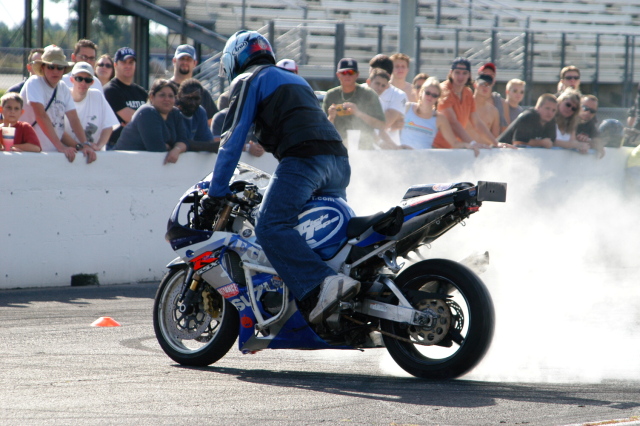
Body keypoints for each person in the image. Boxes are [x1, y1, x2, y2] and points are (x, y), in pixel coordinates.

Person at [207, 30, 358, 325]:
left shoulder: (249, 79)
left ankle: (323, 284)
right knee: (323, 233)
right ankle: (342, 290)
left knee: (271, 225)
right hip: (339, 162)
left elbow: (232, 139)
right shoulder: (296, 79)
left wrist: (217, 190)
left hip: (304, 159)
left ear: (236, 58)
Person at [19, 45, 95, 163]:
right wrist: (61, 146)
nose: (55, 71)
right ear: (43, 68)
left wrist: (84, 144)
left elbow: (73, 118)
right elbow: (41, 116)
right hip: (31, 153)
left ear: (64, 70)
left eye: (59, 67)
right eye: (51, 67)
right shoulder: (34, 82)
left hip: (54, 153)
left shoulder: (63, 88)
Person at [433, 57, 505, 149]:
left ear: (469, 75)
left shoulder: (468, 93)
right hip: (435, 146)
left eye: (464, 73)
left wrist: (496, 143)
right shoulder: (444, 90)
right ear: (451, 73)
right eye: (457, 72)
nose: (460, 77)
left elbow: (477, 123)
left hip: (455, 148)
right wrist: (472, 143)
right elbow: (452, 122)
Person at [113, 79, 189, 164]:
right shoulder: (147, 112)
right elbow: (157, 148)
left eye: (171, 96)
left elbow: (184, 140)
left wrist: (176, 149)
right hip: (123, 163)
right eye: (162, 95)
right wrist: (172, 145)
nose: (167, 99)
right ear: (152, 97)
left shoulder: (175, 113)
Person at [400, 77, 480, 155]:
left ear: (438, 98)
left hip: (423, 160)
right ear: (421, 92)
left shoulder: (440, 118)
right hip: (403, 157)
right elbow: (391, 128)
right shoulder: (407, 108)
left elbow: (454, 143)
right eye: (427, 93)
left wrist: (469, 145)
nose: (430, 97)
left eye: (434, 95)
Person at [323, 58, 386, 150]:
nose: (347, 76)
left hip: (365, 149)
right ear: (338, 75)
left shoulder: (368, 94)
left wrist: (358, 113)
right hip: (338, 149)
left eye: (351, 72)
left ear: (357, 75)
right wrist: (331, 117)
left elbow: (381, 125)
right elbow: (324, 129)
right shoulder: (331, 95)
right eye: (344, 73)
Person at [63, 62, 119, 151]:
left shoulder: (97, 96)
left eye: (87, 80)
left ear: (92, 82)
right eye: (79, 78)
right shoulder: (62, 96)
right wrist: (80, 147)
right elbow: (59, 130)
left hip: (92, 154)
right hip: (68, 154)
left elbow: (108, 126)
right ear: (72, 80)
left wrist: (98, 146)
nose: (83, 83)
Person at [103, 47, 148, 150]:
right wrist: (142, 122)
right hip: (116, 147)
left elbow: (144, 119)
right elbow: (133, 118)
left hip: (140, 146)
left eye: (131, 62)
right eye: (124, 62)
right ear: (115, 65)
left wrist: (137, 123)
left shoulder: (141, 92)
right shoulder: (110, 90)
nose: (128, 66)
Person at [169, 44, 218, 123]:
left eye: (189, 59)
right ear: (174, 61)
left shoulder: (201, 92)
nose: (185, 62)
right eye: (182, 59)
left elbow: (211, 123)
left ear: (195, 63)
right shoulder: (165, 90)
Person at [366, 54, 407, 145]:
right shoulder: (360, 90)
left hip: (389, 151)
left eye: (376, 71)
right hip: (364, 149)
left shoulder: (399, 95)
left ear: (387, 75)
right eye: (371, 70)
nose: (371, 75)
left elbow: (383, 124)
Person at [176, 78, 216, 152]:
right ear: (179, 96)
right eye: (188, 98)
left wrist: (190, 144)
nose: (192, 103)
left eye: (196, 99)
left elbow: (208, 141)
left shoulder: (200, 112)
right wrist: (208, 146)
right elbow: (176, 142)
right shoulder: (173, 112)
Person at [467, 74, 500, 144]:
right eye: (482, 84)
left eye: (488, 85)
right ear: (475, 85)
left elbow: (495, 137)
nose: (485, 87)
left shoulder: (493, 111)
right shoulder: (465, 105)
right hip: (466, 150)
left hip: (485, 152)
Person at [554, 88, 589, 154]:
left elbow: (573, 141)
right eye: (568, 105)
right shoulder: (550, 119)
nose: (570, 109)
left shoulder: (571, 125)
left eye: (573, 109)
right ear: (560, 101)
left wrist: (583, 145)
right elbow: (551, 141)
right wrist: (575, 145)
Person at [476, 62, 509, 131]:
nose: (487, 78)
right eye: (484, 75)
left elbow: (505, 130)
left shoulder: (501, 104)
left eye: (491, 75)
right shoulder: (467, 101)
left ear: (494, 81)